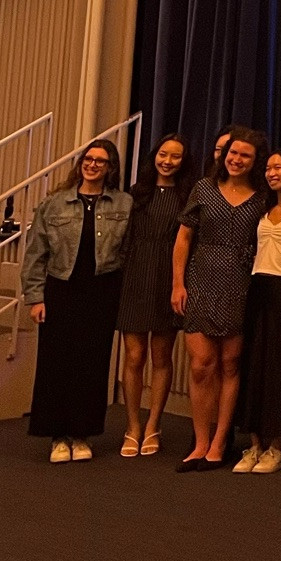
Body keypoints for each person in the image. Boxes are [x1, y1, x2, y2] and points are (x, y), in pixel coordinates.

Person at [22, 139, 131, 463]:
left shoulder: (123, 204)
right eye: (89, 159)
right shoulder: (54, 204)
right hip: (61, 289)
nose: (93, 165)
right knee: (56, 365)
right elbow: (35, 254)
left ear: (110, 168)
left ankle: (82, 435)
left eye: (101, 161)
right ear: (81, 163)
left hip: (101, 291)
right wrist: (35, 298)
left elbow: (127, 250)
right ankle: (58, 437)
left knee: (92, 365)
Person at [173, 127, 266, 470]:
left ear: (254, 162)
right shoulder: (204, 188)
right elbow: (183, 238)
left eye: (245, 155)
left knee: (230, 364)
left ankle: (219, 442)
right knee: (201, 366)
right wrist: (177, 284)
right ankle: (199, 441)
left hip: (242, 281)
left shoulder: (262, 195)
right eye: (233, 153)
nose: (237, 160)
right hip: (200, 278)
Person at [116, 135, 192, 458]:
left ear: (183, 161)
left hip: (168, 279)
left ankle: (153, 426)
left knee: (162, 357)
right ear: (154, 156)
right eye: (163, 154)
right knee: (134, 357)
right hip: (135, 277)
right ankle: (132, 426)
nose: (168, 161)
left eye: (176, 156)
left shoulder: (188, 196)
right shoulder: (136, 194)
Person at [237, 146, 281, 474]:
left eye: (279, 168)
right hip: (258, 287)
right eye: (268, 168)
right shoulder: (262, 208)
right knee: (253, 365)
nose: (272, 173)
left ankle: (277, 444)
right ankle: (254, 444)